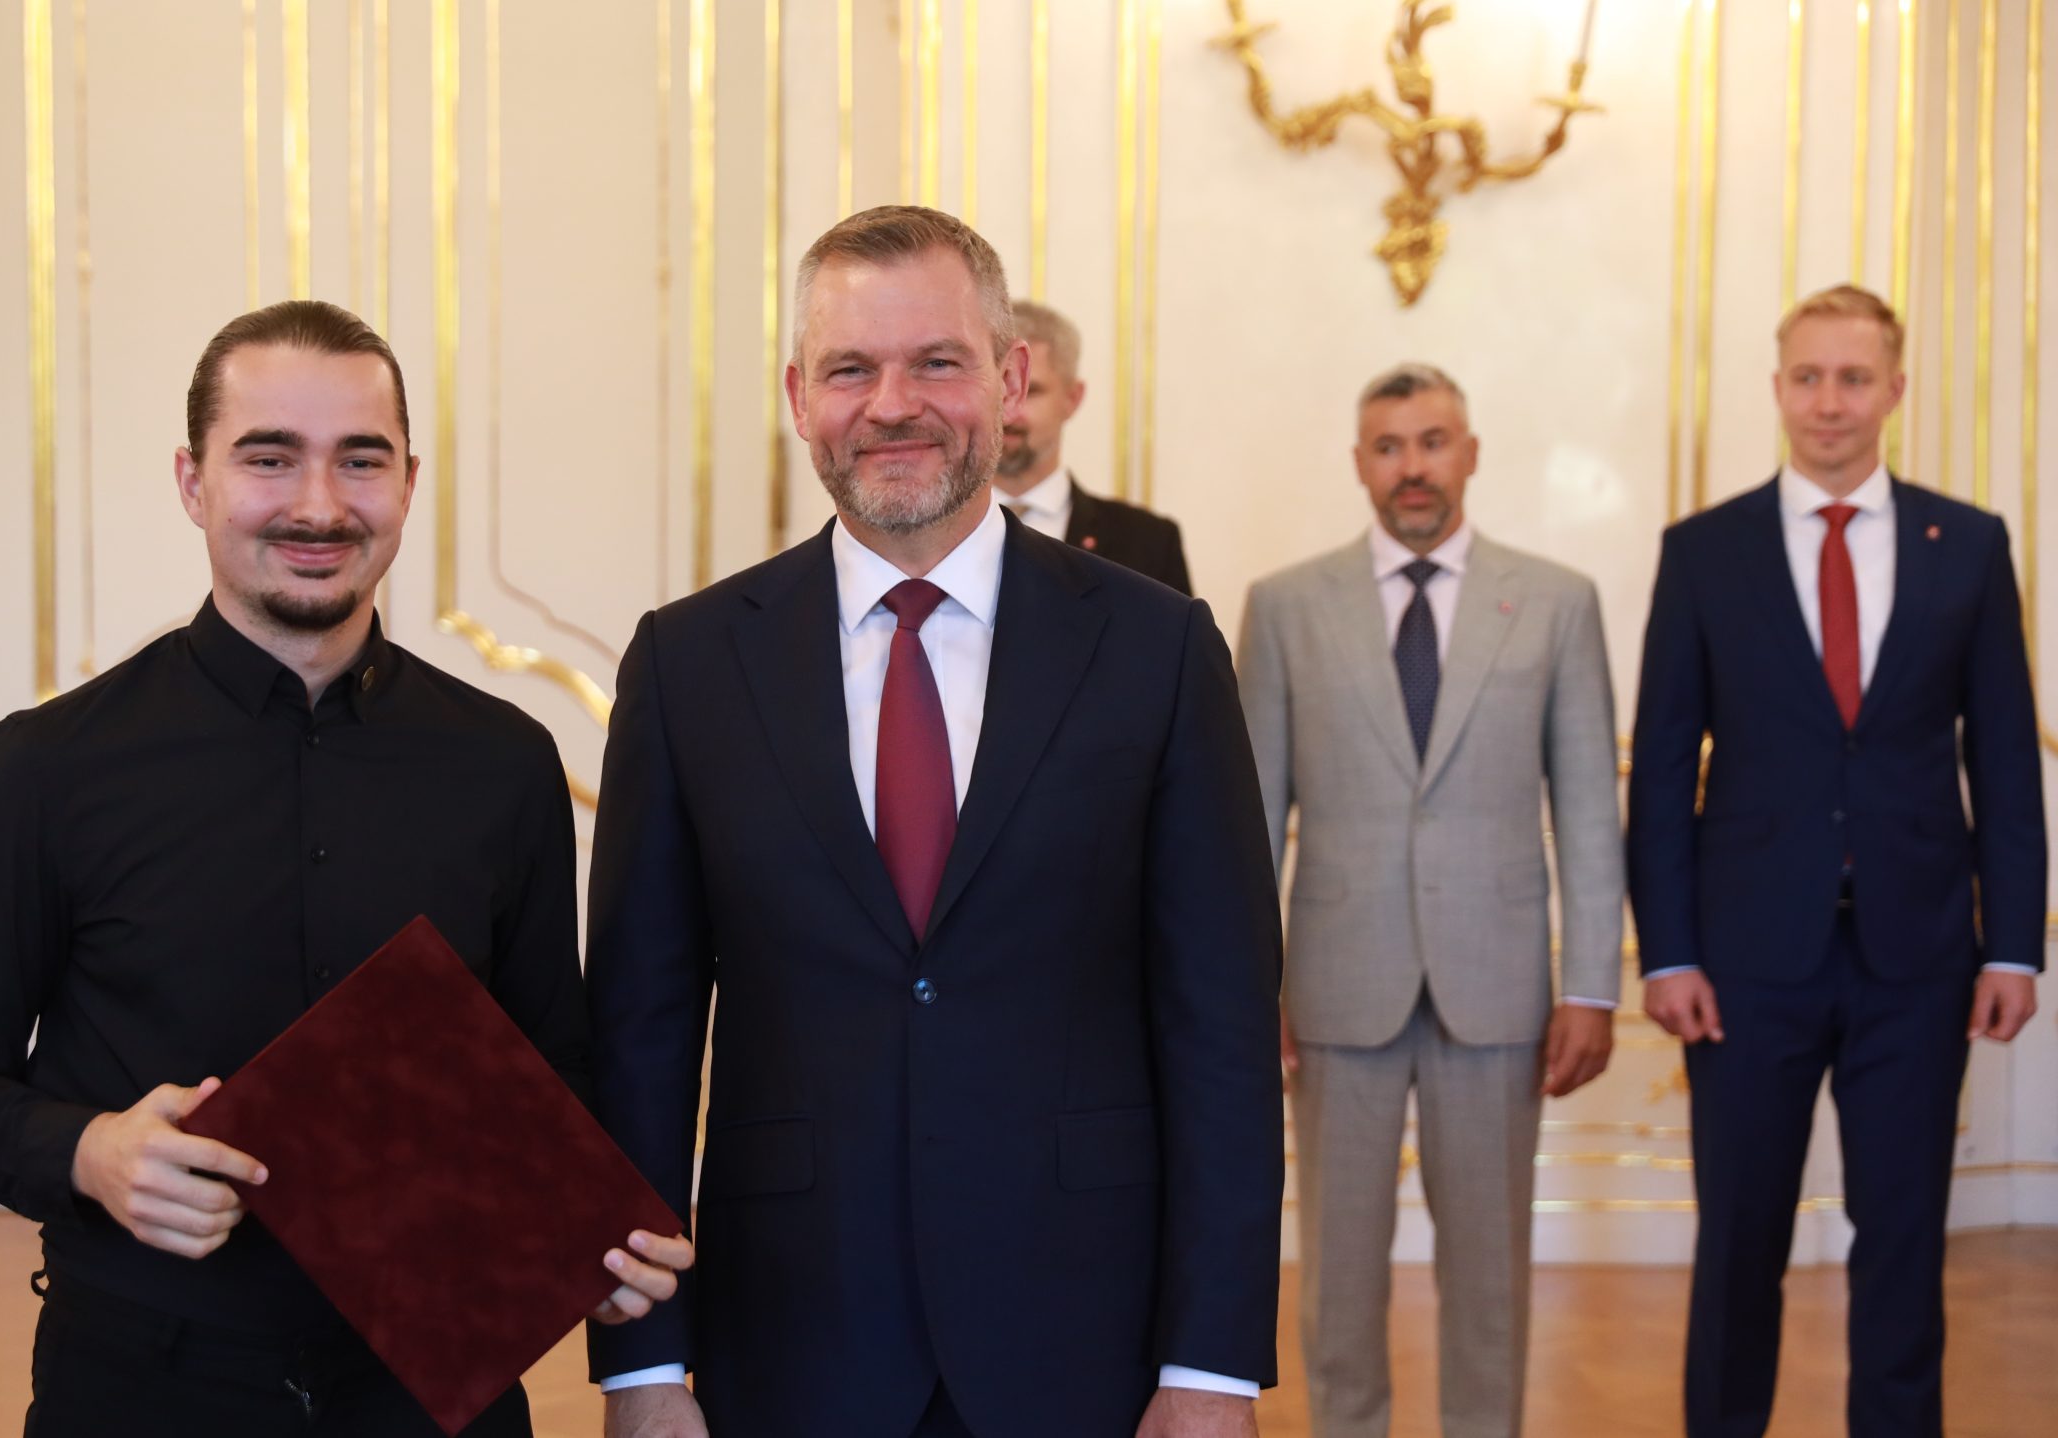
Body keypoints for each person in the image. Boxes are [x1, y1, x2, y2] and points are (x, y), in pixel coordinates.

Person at [0, 300, 690, 1437]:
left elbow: (551, 1061)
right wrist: (90, 1151)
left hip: (431, 1395)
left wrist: (574, 1231)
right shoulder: (48, 767)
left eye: (360, 459)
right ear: (193, 481)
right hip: (141, 1383)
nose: (319, 504)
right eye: (269, 458)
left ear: (407, 482)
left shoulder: (505, 762)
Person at [584, 206, 1282, 1438]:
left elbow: (1220, 1028)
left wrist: (1213, 1368)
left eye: (937, 362)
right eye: (850, 368)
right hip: (788, 1339)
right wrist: (640, 1372)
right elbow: (640, 1036)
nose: (892, 405)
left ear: (1010, 381)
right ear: (799, 397)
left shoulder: (1158, 649)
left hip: (1086, 1339)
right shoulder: (687, 664)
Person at [1627, 284, 2044, 1438]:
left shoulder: (1967, 545)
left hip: (1920, 960)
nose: (1827, 402)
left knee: (1902, 1246)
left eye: (1852, 379)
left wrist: (2012, 945)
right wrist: (1667, 953)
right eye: (1807, 377)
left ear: (1893, 390)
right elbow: (1660, 770)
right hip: (1743, 965)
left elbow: (2005, 760)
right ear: (1776, 389)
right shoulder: (1702, 552)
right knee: (1739, 1242)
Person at [1235, 363, 1622, 1438]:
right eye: (1389, 446)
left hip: (1497, 992)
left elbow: (1590, 811)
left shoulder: (1555, 601)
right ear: (1360, 464)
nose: (1413, 466)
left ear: (1471, 453)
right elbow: (1248, 823)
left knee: (1491, 1273)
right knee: (1337, 1274)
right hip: (1333, 992)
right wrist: (1250, 985)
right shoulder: (1285, 606)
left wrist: (1592, 985)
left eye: (1433, 441)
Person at [990, 299, 1193, 593]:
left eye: (1030, 391)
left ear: (1073, 398)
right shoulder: (928, 533)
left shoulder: (1149, 543)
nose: (1008, 411)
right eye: (997, 389)